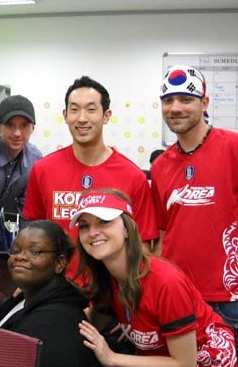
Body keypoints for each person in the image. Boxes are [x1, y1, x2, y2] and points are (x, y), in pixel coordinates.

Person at [73, 189, 238, 367]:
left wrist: (111, 358)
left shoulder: (165, 281)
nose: (93, 232)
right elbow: (84, 325)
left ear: (127, 229)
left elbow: (184, 366)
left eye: (104, 221)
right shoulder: (108, 278)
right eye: (84, 226)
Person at [151, 64, 238, 324]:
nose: (175, 108)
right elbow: (162, 233)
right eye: (168, 100)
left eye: (186, 99)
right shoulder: (161, 165)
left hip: (225, 298)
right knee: (176, 365)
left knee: (226, 365)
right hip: (175, 292)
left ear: (204, 102)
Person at [23, 75, 158, 280]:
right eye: (75, 109)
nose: (82, 118)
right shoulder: (43, 169)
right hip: (57, 287)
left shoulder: (133, 176)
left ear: (106, 115)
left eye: (91, 109)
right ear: (65, 115)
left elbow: (143, 246)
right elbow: (33, 234)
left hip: (112, 291)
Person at [0, 220, 106, 367]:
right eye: (16, 251)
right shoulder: (22, 297)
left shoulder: (53, 326)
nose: (20, 257)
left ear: (59, 264)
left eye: (35, 252)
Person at [0, 94, 42, 219]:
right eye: (10, 125)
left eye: (24, 126)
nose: (17, 133)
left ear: (33, 128)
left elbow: (26, 210)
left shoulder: (35, 158)